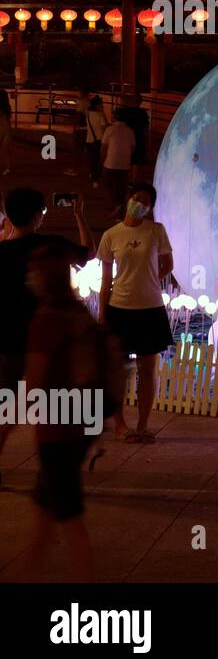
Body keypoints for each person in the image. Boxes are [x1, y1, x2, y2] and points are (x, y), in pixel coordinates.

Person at [16, 244, 124, 583]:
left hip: (57, 429)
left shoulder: (46, 320)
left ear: (42, 279)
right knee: (45, 514)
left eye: (33, 271)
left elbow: (34, 383)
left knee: (70, 519)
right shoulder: (80, 315)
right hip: (82, 424)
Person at [0, 188, 93, 483]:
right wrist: (79, 216)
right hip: (48, 339)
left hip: (8, 341)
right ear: (38, 215)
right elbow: (86, 253)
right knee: (52, 408)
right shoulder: (49, 246)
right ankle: (52, 470)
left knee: (7, 409)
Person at [97, 182, 173, 444]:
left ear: (150, 208)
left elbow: (167, 264)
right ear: (127, 199)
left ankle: (143, 425)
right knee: (118, 371)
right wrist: (102, 315)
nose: (139, 204)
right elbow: (105, 281)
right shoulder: (110, 235)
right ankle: (120, 425)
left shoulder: (156, 231)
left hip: (150, 308)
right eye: (136, 198)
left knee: (147, 369)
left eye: (145, 202)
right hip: (120, 308)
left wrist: (149, 280)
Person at [101, 110, 135, 215]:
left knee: (107, 184)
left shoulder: (110, 129)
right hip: (124, 163)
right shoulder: (130, 131)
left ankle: (114, 204)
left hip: (110, 162)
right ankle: (120, 205)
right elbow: (133, 147)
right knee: (121, 186)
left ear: (114, 117)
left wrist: (102, 159)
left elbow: (104, 147)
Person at [116, 93, 149, 181]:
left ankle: (126, 178)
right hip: (139, 137)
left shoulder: (126, 111)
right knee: (136, 160)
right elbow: (146, 126)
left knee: (127, 158)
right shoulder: (142, 112)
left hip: (126, 137)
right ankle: (133, 180)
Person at [84, 96, 107, 187]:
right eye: (101, 104)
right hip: (99, 140)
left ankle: (94, 178)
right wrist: (103, 113)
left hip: (89, 139)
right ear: (97, 105)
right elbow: (104, 127)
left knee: (92, 160)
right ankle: (97, 177)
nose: (102, 106)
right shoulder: (100, 115)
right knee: (100, 160)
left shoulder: (88, 114)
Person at [0, 88, 12, 175]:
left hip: (3, 129)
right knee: (5, 150)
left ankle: (7, 167)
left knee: (5, 149)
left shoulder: (2, 109)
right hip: (6, 129)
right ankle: (7, 167)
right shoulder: (7, 108)